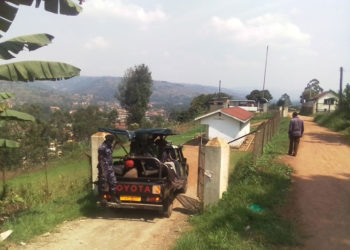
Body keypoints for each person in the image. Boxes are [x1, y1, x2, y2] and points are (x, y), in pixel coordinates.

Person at [97, 134, 119, 202]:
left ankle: (114, 197)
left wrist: (115, 143)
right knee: (103, 183)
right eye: (111, 141)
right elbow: (99, 158)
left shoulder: (109, 147)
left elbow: (111, 151)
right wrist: (102, 169)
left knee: (113, 182)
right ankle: (102, 198)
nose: (112, 142)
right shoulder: (102, 147)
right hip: (104, 167)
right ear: (108, 140)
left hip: (110, 167)